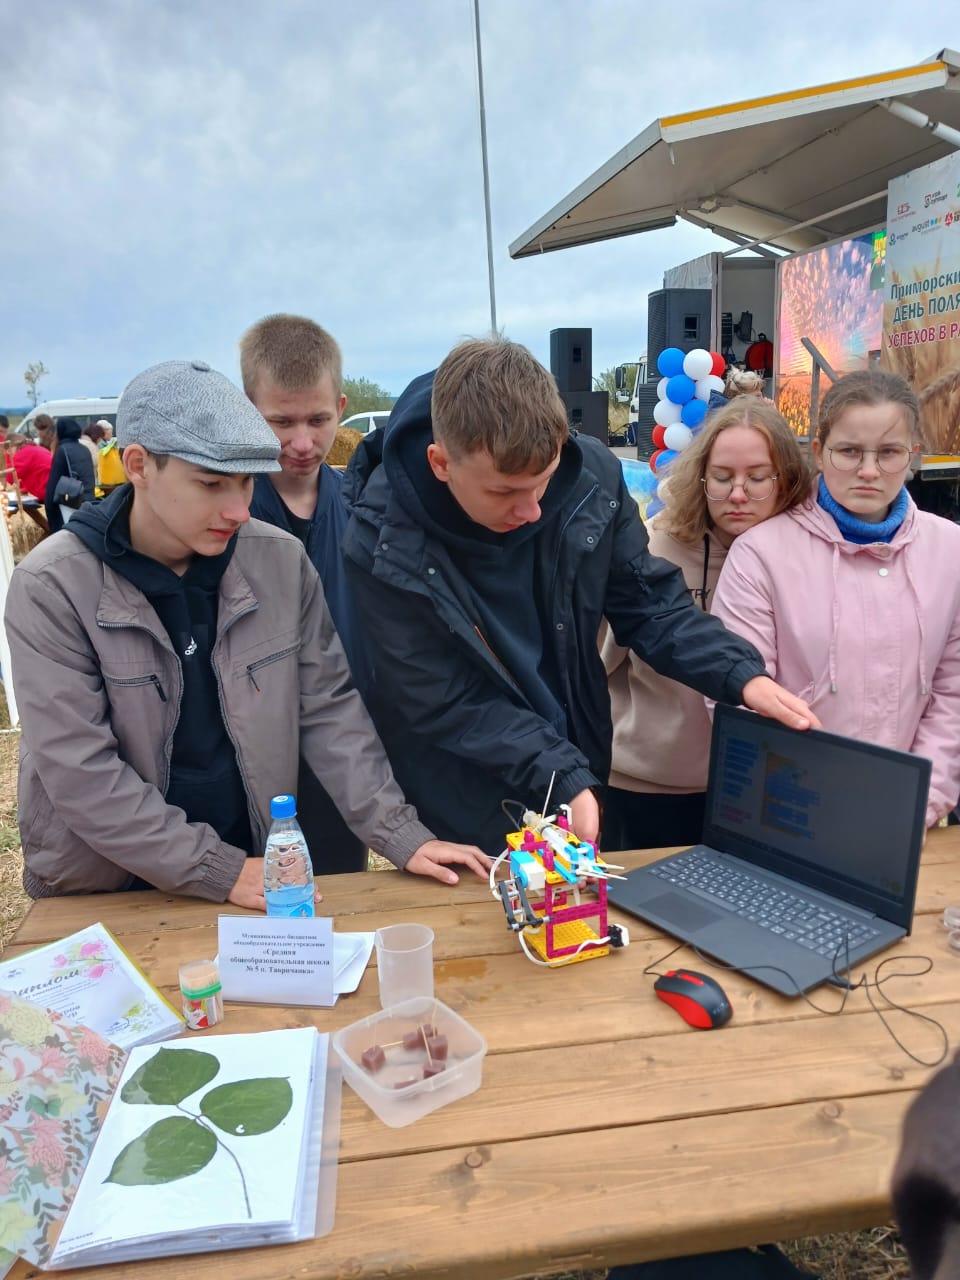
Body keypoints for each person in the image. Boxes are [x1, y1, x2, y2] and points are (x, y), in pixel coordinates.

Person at [5, 359, 490, 906]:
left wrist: (398, 832)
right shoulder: (53, 585)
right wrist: (219, 870)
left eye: (246, 481)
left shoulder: (279, 560)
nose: (238, 509)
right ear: (139, 465)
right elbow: (80, 771)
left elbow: (329, 708)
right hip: (107, 885)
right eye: (211, 483)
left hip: (250, 857)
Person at [341, 337, 815, 856]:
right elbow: (444, 698)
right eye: (503, 492)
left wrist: (738, 673)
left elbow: (648, 603)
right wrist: (561, 772)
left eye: (542, 483)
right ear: (440, 463)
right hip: (461, 788)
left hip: (576, 757)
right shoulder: (380, 540)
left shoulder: (592, 477)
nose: (532, 511)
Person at [712, 368, 960, 828]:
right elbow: (737, 692)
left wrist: (919, 802)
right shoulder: (761, 554)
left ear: (914, 455)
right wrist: (805, 805)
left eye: (888, 452)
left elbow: (953, 692)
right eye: (849, 451)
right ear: (819, 452)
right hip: (790, 813)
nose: (868, 470)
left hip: (906, 816)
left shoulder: (950, 551)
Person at [601, 401, 813, 850]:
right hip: (646, 790)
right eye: (722, 477)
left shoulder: (806, 557)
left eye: (757, 478)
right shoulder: (652, 546)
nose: (738, 494)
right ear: (700, 477)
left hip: (759, 792)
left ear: (787, 480)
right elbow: (598, 662)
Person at [240, 313, 371, 873]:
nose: (302, 442)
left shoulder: (365, 508)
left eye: (318, 420)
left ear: (340, 408)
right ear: (247, 411)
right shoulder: (225, 516)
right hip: (249, 760)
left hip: (341, 753)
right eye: (281, 422)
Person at [44, 417, 96, 534]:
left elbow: (53, 483)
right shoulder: (84, 449)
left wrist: (50, 509)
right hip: (88, 502)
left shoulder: (62, 450)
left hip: (71, 503)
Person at [4, 431, 54, 501]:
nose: (10, 454)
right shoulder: (34, 448)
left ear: (14, 445)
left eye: (9, 451)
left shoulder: (23, 453)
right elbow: (33, 473)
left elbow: (9, 475)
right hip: (52, 487)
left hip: (48, 490)